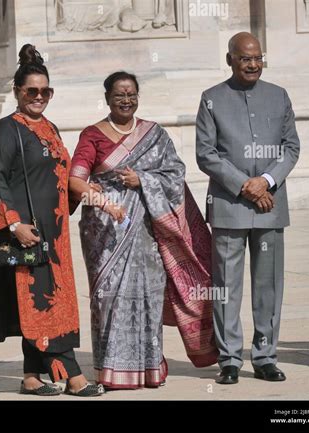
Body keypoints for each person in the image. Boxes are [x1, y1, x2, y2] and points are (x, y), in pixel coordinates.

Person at [69, 71, 218, 389]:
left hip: (150, 234)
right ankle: (111, 371)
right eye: (119, 95)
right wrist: (106, 203)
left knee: (148, 298)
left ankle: (150, 369)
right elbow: (76, 180)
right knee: (109, 299)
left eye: (131, 94)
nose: (126, 100)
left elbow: (176, 173)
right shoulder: (92, 135)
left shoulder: (155, 134)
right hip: (106, 233)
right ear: (107, 97)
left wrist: (143, 180)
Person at [0, 44, 103, 397]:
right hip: (29, 234)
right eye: (31, 91)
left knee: (44, 301)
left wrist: (83, 190)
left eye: (45, 91)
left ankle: (31, 376)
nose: (39, 97)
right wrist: (13, 225)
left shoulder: (49, 127)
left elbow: (59, 175)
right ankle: (74, 376)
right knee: (44, 301)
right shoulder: (7, 130)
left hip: (57, 235)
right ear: (17, 92)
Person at [195, 32, 300, 385]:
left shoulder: (278, 96)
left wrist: (267, 181)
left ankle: (265, 356)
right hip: (229, 204)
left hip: (271, 205)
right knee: (226, 286)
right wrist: (245, 185)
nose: (253, 64)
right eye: (245, 58)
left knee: (268, 285)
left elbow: (291, 148)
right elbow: (206, 154)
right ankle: (228, 359)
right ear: (230, 60)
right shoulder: (211, 99)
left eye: (257, 58)